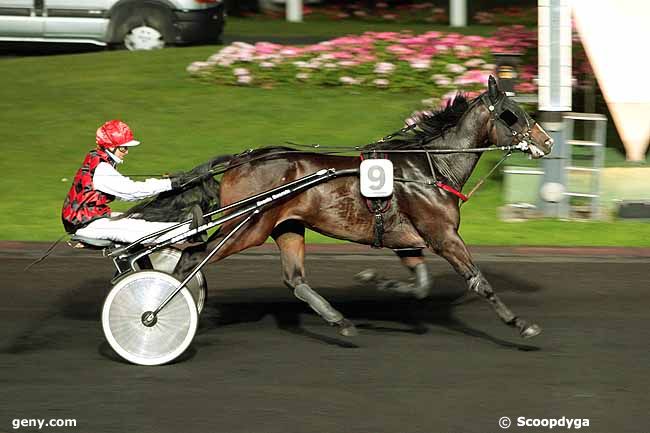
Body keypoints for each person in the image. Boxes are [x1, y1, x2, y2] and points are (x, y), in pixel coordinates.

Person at [61, 120, 204, 245]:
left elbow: (123, 193)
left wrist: (166, 184)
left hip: (92, 217)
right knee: (141, 231)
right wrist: (168, 184)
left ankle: (184, 227)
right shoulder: (102, 168)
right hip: (87, 223)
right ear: (110, 146)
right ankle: (187, 230)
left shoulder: (98, 160)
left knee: (141, 219)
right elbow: (131, 192)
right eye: (124, 147)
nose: (127, 152)